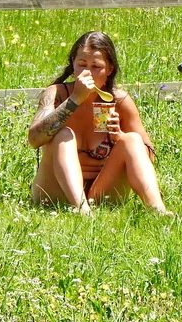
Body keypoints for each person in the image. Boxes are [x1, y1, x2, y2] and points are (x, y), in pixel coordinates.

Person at [28, 31, 170, 215]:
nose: (87, 73)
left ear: (109, 69)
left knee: (132, 140)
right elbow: (34, 139)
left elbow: (149, 158)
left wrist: (119, 137)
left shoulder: (118, 100)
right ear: (72, 64)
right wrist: (75, 100)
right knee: (63, 134)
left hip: (102, 192)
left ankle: (158, 212)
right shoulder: (57, 94)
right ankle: (82, 211)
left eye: (96, 66)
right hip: (56, 191)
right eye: (81, 65)